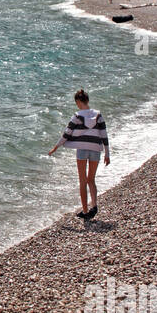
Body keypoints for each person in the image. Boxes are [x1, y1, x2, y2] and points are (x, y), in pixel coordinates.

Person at [48, 89, 110, 219]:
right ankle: (94, 205)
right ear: (87, 100)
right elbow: (104, 135)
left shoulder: (77, 116)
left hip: (82, 150)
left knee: (82, 181)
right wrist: (107, 154)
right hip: (95, 150)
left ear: (78, 102)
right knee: (91, 180)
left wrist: (56, 147)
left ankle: (85, 211)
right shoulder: (98, 115)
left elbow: (67, 133)